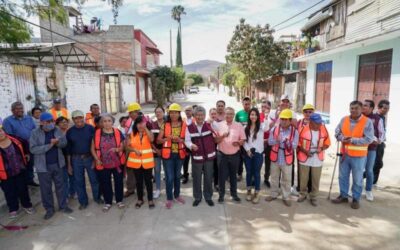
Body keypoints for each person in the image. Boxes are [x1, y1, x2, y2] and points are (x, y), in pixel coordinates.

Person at [30, 112, 73, 219]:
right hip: (43, 167)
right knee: (46, 190)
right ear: (42, 123)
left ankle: (63, 206)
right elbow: (33, 149)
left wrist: (58, 142)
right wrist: (50, 145)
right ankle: (49, 209)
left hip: (58, 164)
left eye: (52, 121)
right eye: (48, 122)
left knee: (61, 187)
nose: (51, 123)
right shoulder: (35, 133)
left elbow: (64, 143)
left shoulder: (57, 130)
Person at [332, 100, 374, 209]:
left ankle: (356, 199)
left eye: (356, 108)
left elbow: (369, 139)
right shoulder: (344, 119)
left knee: (357, 179)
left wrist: (353, 140)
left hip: (359, 157)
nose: (354, 110)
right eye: (352, 108)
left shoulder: (367, 121)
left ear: (361, 109)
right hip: (344, 155)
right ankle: (343, 196)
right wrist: (341, 138)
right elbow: (337, 132)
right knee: (343, 176)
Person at [0, 121, 35, 219]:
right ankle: (13, 208)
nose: (0, 133)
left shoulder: (14, 138)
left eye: (1, 131)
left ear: (4, 131)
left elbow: (25, 143)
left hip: (20, 170)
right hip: (5, 175)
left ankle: (27, 205)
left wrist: (27, 153)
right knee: (9, 192)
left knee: (23, 189)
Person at [66, 110, 100, 210]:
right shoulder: (70, 131)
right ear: (73, 120)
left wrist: (95, 159)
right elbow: (68, 150)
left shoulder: (90, 129)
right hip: (76, 159)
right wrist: (69, 165)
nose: (79, 120)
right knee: (79, 181)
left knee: (94, 180)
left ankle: (97, 198)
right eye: (76, 118)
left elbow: (96, 146)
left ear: (83, 118)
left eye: (80, 117)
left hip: (89, 157)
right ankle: (83, 202)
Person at [92, 114, 125, 212]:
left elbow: (123, 146)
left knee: (118, 182)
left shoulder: (117, 132)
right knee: (105, 183)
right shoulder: (97, 133)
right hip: (102, 163)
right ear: (101, 123)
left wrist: (117, 149)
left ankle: (119, 200)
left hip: (117, 162)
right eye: (104, 121)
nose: (107, 123)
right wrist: (96, 159)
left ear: (112, 122)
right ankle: (108, 202)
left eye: (109, 121)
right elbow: (92, 148)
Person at [265, 109, 299, 207]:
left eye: (285, 119)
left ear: (290, 120)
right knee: (274, 177)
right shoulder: (274, 129)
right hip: (275, 157)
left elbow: (295, 145)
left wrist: (286, 141)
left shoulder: (294, 131)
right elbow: (269, 142)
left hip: (286, 159)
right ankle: (273, 194)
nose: (283, 121)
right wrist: (276, 140)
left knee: (287, 179)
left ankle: (286, 196)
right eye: (282, 119)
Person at [185, 106, 217, 207]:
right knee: (197, 178)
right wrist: (191, 145)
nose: (200, 117)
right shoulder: (189, 127)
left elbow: (216, 135)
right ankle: (197, 197)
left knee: (208, 178)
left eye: (202, 115)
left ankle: (208, 197)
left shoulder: (209, 125)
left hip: (209, 157)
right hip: (197, 157)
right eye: (198, 115)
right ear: (194, 116)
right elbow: (187, 141)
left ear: (204, 116)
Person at [297, 113, 330, 206]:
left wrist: (322, 148)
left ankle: (314, 197)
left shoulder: (323, 129)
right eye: (317, 123)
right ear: (311, 122)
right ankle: (302, 194)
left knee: (316, 178)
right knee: (303, 178)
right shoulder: (303, 129)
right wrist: (305, 151)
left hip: (318, 157)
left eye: (320, 123)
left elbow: (328, 143)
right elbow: (298, 143)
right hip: (304, 157)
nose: (319, 125)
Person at [157, 103, 186, 209]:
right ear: (169, 114)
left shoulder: (184, 125)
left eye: (176, 113)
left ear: (179, 114)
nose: (174, 115)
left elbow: (188, 140)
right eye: (172, 113)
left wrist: (180, 140)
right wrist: (167, 139)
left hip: (180, 154)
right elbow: (158, 140)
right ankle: (169, 198)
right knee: (170, 177)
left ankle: (177, 195)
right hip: (168, 155)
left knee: (177, 176)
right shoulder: (165, 125)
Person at [3, 101, 38, 186]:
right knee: (20, 165)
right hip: (18, 148)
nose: (20, 110)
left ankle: (30, 180)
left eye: (21, 108)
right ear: (12, 110)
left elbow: (35, 130)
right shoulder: (7, 121)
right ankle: (22, 183)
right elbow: (10, 136)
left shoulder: (29, 118)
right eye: (17, 109)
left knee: (30, 163)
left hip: (31, 145)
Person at [215, 107, 246, 203]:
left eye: (231, 114)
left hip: (234, 155)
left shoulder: (239, 125)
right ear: (224, 114)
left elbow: (243, 140)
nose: (229, 116)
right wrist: (223, 135)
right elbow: (216, 141)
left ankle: (234, 194)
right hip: (222, 155)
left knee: (233, 176)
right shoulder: (218, 125)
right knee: (222, 176)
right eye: (227, 113)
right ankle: (221, 195)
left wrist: (239, 143)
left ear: (233, 115)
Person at [126, 115, 155, 209]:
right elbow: (127, 147)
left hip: (147, 163)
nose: (140, 125)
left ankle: (150, 199)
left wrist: (145, 128)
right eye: (138, 123)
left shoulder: (149, 133)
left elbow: (151, 139)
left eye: (142, 123)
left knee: (148, 182)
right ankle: (140, 199)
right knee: (138, 182)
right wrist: (134, 150)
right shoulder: (131, 134)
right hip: (136, 163)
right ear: (135, 124)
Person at [362, 100, 385, 201]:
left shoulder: (377, 119)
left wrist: (379, 140)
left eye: (366, 106)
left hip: (371, 148)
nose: (363, 107)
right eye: (363, 105)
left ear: (371, 108)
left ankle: (368, 190)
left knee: (369, 170)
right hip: (359, 148)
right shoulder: (359, 117)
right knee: (357, 170)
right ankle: (354, 189)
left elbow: (382, 134)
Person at [243, 108, 267, 204]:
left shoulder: (261, 126)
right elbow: (244, 141)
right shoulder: (246, 127)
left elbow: (268, 126)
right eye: (252, 114)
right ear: (249, 116)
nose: (253, 116)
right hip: (248, 153)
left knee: (257, 173)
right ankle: (249, 191)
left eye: (255, 115)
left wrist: (266, 116)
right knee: (249, 172)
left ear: (258, 116)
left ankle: (257, 193)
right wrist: (248, 150)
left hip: (258, 153)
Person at [123, 102, 142, 197]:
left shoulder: (144, 120)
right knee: (129, 168)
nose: (130, 114)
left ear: (137, 112)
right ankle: (130, 189)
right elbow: (126, 134)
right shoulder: (129, 121)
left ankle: (141, 188)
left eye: (131, 112)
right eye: (129, 112)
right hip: (129, 148)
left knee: (141, 169)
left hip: (140, 148)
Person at [55, 116, 76, 201]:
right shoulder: (56, 134)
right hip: (61, 158)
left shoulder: (70, 132)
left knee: (72, 176)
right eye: (62, 122)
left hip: (71, 156)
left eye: (66, 122)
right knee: (64, 178)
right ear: (57, 124)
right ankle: (66, 194)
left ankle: (73, 192)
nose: (64, 123)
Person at [297, 104, 316, 193]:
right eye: (306, 112)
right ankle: (301, 189)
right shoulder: (299, 122)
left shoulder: (317, 123)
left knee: (312, 171)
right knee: (302, 172)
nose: (308, 114)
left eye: (310, 112)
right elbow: (296, 137)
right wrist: (303, 150)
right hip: (301, 151)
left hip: (313, 152)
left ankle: (310, 190)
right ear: (303, 113)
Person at [373, 99, 390, 185]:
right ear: (379, 108)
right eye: (385, 108)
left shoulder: (383, 117)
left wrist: (383, 141)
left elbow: (382, 131)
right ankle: (361, 177)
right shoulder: (375, 118)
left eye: (388, 108)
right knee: (377, 164)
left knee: (378, 164)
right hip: (375, 144)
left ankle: (374, 182)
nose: (387, 110)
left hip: (381, 144)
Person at [235, 97, 252, 182]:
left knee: (250, 157)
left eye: (248, 104)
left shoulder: (253, 113)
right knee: (240, 158)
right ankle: (240, 174)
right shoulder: (238, 114)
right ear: (242, 104)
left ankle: (250, 174)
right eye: (245, 104)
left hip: (251, 141)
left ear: (250, 104)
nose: (247, 106)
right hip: (241, 141)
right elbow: (236, 127)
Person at [151, 106, 165, 199]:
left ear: (163, 113)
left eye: (160, 112)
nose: (158, 113)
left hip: (167, 151)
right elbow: (150, 140)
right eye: (157, 112)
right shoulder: (152, 125)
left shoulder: (168, 124)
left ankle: (169, 188)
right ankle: (158, 189)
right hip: (155, 151)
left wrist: (163, 150)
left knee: (168, 171)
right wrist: (156, 150)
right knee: (157, 171)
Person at [259, 100, 272, 187]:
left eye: (266, 107)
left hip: (269, 142)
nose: (264, 109)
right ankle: (256, 178)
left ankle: (266, 178)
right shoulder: (258, 115)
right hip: (259, 142)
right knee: (258, 161)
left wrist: (268, 140)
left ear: (270, 108)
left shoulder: (273, 116)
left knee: (268, 162)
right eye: (263, 107)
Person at [182, 105, 195, 184]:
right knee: (185, 161)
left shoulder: (195, 120)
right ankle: (185, 176)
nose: (188, 112)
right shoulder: (183, 121)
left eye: (189, 110)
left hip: (194, 144)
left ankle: (195, 174)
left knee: (195, 161)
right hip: (185, 144)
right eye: (186, 110)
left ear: (192, 111)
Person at [208, 108, 219, 190]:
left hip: (216, 146)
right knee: (208, 166)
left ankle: (216, 183)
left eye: (215, 114)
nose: (213, 115)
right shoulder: (206, 123)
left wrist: (213, 122)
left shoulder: (219, 124)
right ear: (209, 115)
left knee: (216, 165)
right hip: (208, 147)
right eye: (212, 114)